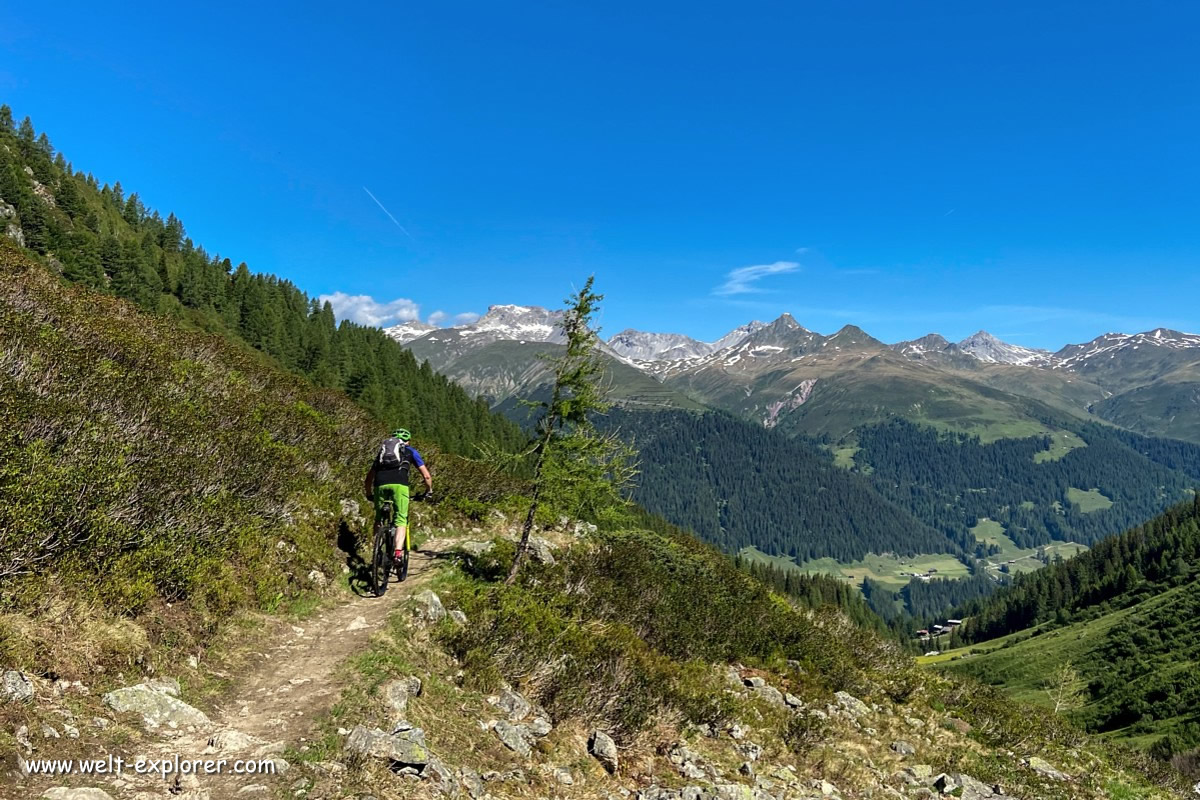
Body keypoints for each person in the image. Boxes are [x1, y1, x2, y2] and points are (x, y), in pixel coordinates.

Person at [364, 428, 433, 561]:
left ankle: (375, 550)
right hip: (400, 486)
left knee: (379, 519)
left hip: (380, 484)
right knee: (401, 520)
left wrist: (369, 494)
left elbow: (368, 479)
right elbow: (426, 476)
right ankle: (397, 554)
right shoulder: (411, 451)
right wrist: (428, 491)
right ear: (408, 441)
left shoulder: (382, 453)